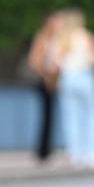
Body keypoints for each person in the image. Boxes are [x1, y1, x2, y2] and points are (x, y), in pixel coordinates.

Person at [49, 8, 94, 168]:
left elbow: (53, 64)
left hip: (67, 78)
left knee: (72, 117)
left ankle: (76, 154)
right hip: (85, 76)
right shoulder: (85, 36)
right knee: (93, 114)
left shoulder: (60, 39)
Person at [27, 12, 62, 160]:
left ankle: (47, 149)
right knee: (46, 116)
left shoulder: (57, 40)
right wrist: (45, 72)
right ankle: (42, 150)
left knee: (51, 116)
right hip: (44, 81)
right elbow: (34, 61)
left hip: (54, 82)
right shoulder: (42, 38)